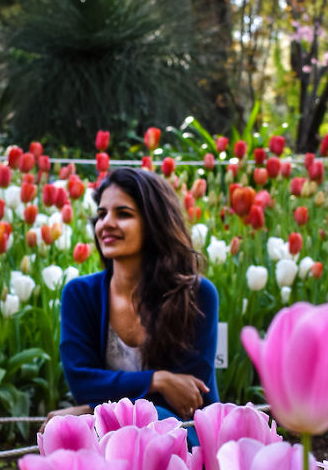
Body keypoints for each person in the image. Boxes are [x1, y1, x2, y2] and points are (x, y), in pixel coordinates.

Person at [59, 166, 219, 422]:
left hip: (182, 434)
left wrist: (92, 410)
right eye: (101, 214)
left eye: (123, 214)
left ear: (154, 223)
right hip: (108, 435)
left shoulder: (196, 295)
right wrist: (157, 380)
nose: (106, 224)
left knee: (159, 417)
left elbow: (188, 396)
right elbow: (83, 383)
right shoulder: (79, 295)